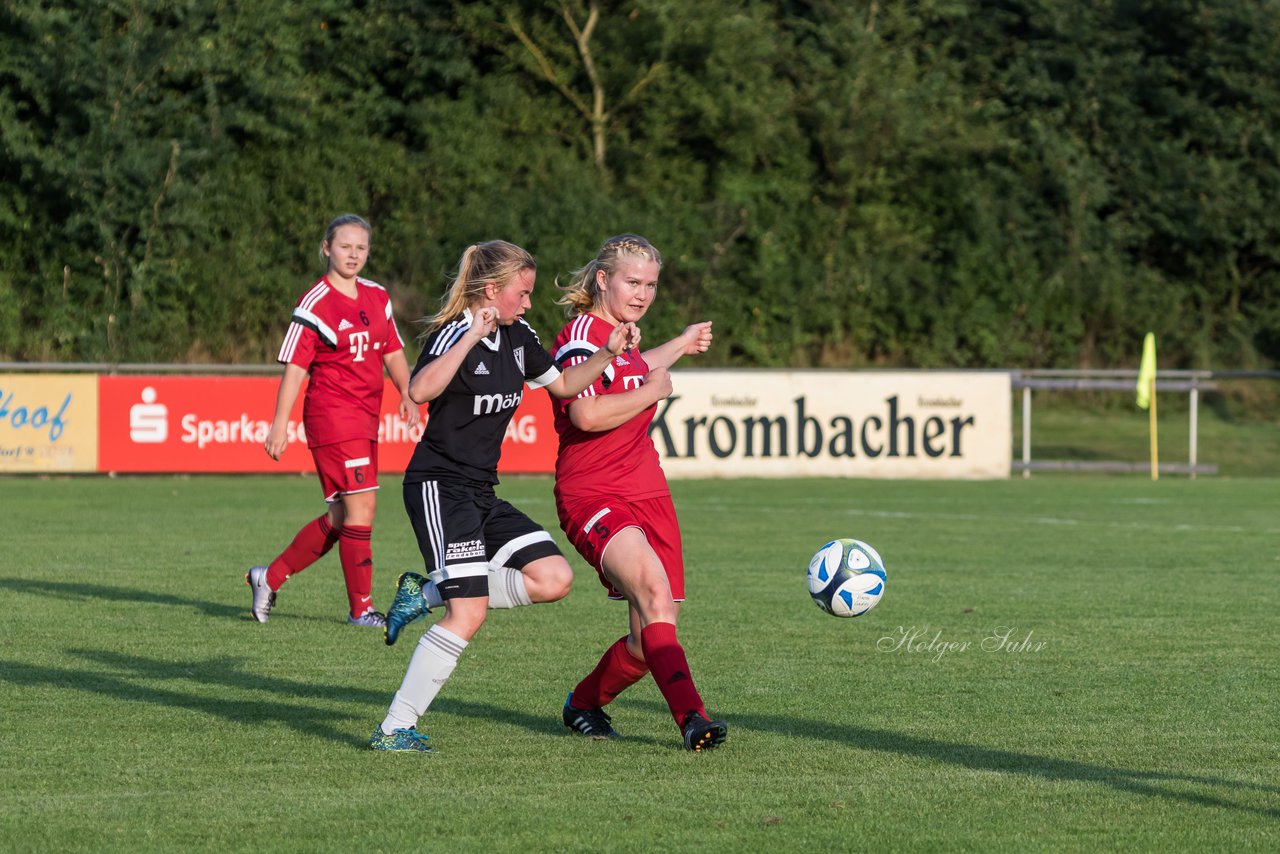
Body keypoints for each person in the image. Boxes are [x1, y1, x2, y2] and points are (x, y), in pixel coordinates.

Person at [370, 239, 638, 752]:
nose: (529, 302)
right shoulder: (456, 331)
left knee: (553, 578)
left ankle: (425, 593)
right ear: (492, 290)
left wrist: (608, 353)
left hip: (480, 490)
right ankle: (393, 728)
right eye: (523, 292)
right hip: (438, 486)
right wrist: (471, 336)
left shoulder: (519, 336)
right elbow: (421, 391)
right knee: (467, 611)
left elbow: (562, 388)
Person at [551, 234, 726, 751]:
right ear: (603, 279)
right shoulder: (583, 336)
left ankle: (583, 703)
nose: (643, 293)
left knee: (650, 636)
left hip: (647, 492)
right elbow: (586, 412)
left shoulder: (620, 335)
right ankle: (694, 720)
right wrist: (655, 390)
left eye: (651, 284)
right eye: (633, 282)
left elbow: (630, 370)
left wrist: (680, 344)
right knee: (653, 595)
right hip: (594, 493)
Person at [245, 214, 419, 627]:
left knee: (345, 517)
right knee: (363, 506)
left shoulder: (377, 296)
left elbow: (392, 351)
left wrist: (408, 393)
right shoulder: (314, 304)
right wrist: (279, 423)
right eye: (345, 246)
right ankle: (362, 610)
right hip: (332, 418)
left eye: (361, 247)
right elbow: (295, 370)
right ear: (327, 249)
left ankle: (267, 578)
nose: (353, 254)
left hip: (366, 418)